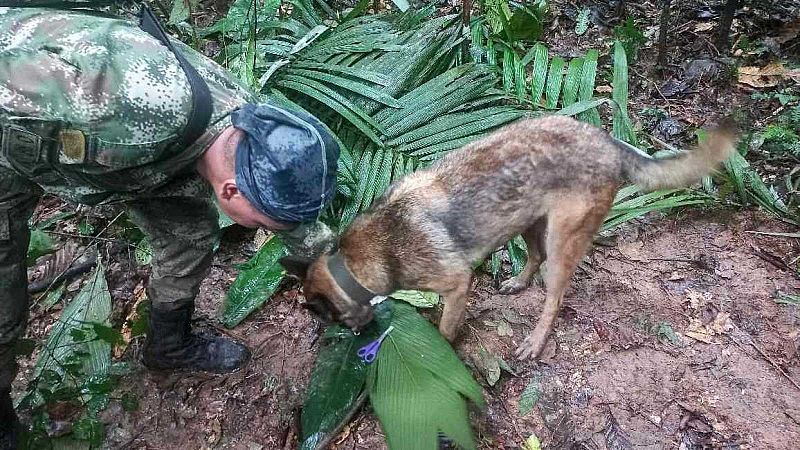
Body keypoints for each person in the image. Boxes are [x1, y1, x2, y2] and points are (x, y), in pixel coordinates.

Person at [0, 6, 339, 448]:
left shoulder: (252, 129)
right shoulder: (121, 112)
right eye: (267, 225)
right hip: (14, 130)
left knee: (189, 234)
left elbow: (290, 216)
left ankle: (168, 344)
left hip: (126, 157)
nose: (274, 230)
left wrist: (342, 276)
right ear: (232, 193)